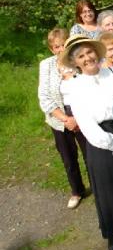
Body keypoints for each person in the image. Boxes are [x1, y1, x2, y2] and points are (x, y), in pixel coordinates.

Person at [60, 35, 113, 250]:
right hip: (100, 139)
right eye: (81, 56)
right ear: (75, 62)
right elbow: (85, 123)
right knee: (107, 188)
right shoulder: (74, 87)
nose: (87, 58)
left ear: (97, 52)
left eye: (89, 52)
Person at [38, 28, 88, 209]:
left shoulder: (79, 61)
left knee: (90, 154)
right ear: (52, 49)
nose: (60, 49)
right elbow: (44, 97)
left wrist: (77, 118)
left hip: (82, 116)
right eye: (56, 46)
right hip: (59, 119)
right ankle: (77, 190)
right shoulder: (46, 65)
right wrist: (66, 119)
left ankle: (99, 186)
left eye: (63, 45)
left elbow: (86, 90)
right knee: (68, 157)